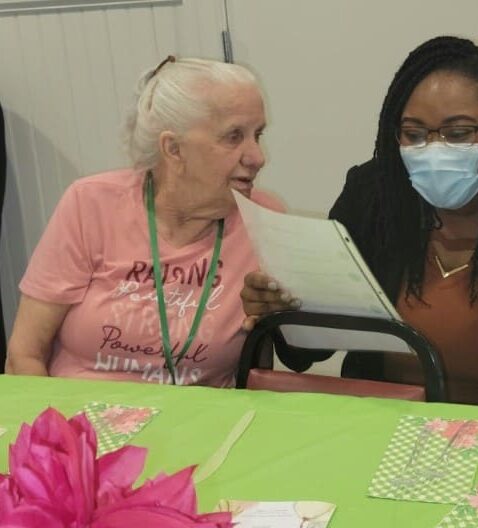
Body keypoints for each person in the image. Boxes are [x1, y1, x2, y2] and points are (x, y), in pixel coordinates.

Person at [241, 36, 478, 407]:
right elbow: (309, 352)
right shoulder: (374, 194)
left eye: (458, 133)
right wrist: (282, 309)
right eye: (414, 134)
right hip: (384, 422)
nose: (434, 149)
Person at [6, 57, 281, 387]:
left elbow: (273, 362)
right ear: (173, 148)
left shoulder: (266, 221)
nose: (257, 157)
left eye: (258, 134)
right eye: (234, 136)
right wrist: (61, 434)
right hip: (82, 423)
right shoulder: (91, 204)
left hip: (200, 428)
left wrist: (284, 312)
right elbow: (24, 354)